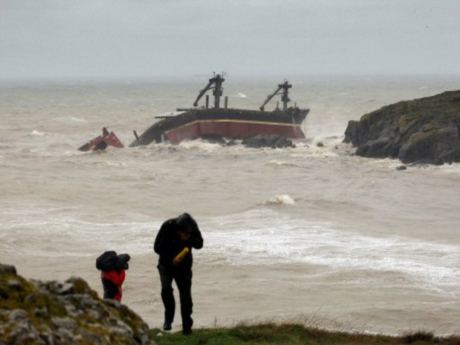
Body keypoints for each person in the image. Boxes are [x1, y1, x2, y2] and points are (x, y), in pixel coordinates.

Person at [154, 213, 203, 335]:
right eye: (184, 233)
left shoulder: (192, 228)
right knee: (166, 290)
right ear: (178, 231)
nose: (187, 236)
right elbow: (156, 247)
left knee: (185, 296)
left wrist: (190, 239)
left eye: (189, 233)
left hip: (184, 267)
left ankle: (187, 327)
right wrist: (172, 258)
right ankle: (168, 320)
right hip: (166, 264)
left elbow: (200, 244)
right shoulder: (167, 226)